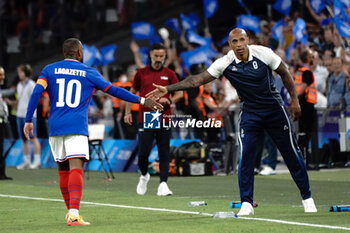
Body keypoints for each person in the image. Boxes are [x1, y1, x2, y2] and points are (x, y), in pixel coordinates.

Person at [147, 28, 317, 215]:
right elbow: (197, 80)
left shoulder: (263, 53)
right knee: (245, 157)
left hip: (274, 111)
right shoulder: (226, 62)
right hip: (250, 114)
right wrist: (168, 88)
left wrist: (294, 101)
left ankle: (307, 198)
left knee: (291, 153)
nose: (239, 45)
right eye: (234, 41)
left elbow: (285, 74)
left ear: (248, 40)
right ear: (230, 44)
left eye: (241, 40)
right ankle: (246, 203)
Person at [23, 38, 163, 226]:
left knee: (63, 171)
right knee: (76, 169)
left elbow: (36, 93)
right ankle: (73, 214)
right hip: (76, 128)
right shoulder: (89, 72)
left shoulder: (49, 69)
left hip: (55, 127)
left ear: (65, 52)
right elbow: (114, 91)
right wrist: (143, 101)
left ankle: (71, 213)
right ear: (80, 53)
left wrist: (28, 119)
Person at [124, 42, 183, 196]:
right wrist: (127, 112)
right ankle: (144, 175)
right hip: (147, 116)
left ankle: (163, 184)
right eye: (156, 55)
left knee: (164, 152)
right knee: (143, 153)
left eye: (161, 56)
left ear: (165, 56)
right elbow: (131, 92)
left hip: (164, 115)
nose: (158, 59)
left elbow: (180, 93)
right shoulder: (141, 73)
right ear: (150, 55)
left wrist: (169, 101)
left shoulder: (170, 74)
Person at [13, 64, 42, 169]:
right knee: (23, 139)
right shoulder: (19, 85)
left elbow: (35, 101)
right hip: (19, 115)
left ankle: (37, 161)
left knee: (33, 138)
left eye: (20, 72)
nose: (19, 74)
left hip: (29, 117)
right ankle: (27, 161)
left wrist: (32, 115)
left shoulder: (32, 85)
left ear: (26, 72)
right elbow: (21, 100)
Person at [295, 50, 318, 170]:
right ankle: (306, 161)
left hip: (301, 105)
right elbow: (303, 87)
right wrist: (295, 97)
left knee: (303, 133)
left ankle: (303, 160)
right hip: (307, 105)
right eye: (311, 56)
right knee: (307, 134)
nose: (312, 58)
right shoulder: (307, 72)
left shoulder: (299, 72)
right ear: (307, 58)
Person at [0, 66, 13, 180]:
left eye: (3, 74)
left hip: (2, 122)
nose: (2, 77)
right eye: (0, 75)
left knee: (1, 148)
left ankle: (2, 174)